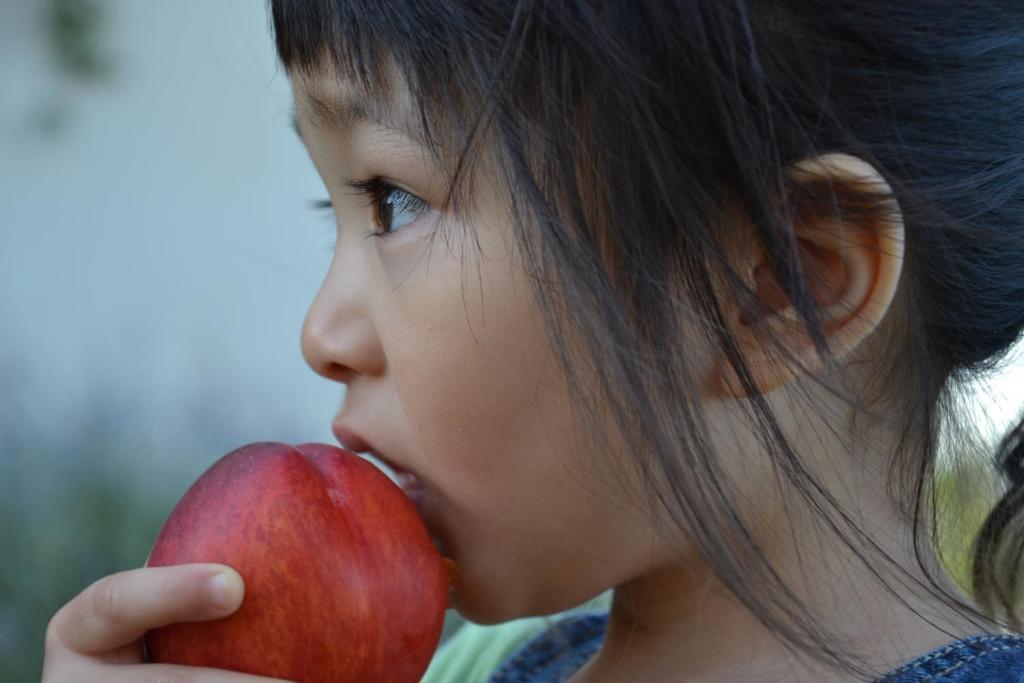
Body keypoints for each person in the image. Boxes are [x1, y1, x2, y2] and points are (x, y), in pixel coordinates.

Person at [42, 1, 1024, 681]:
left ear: (778, 287)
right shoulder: (459, 668)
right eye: (333, 202)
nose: (322, 333)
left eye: (395, 199)